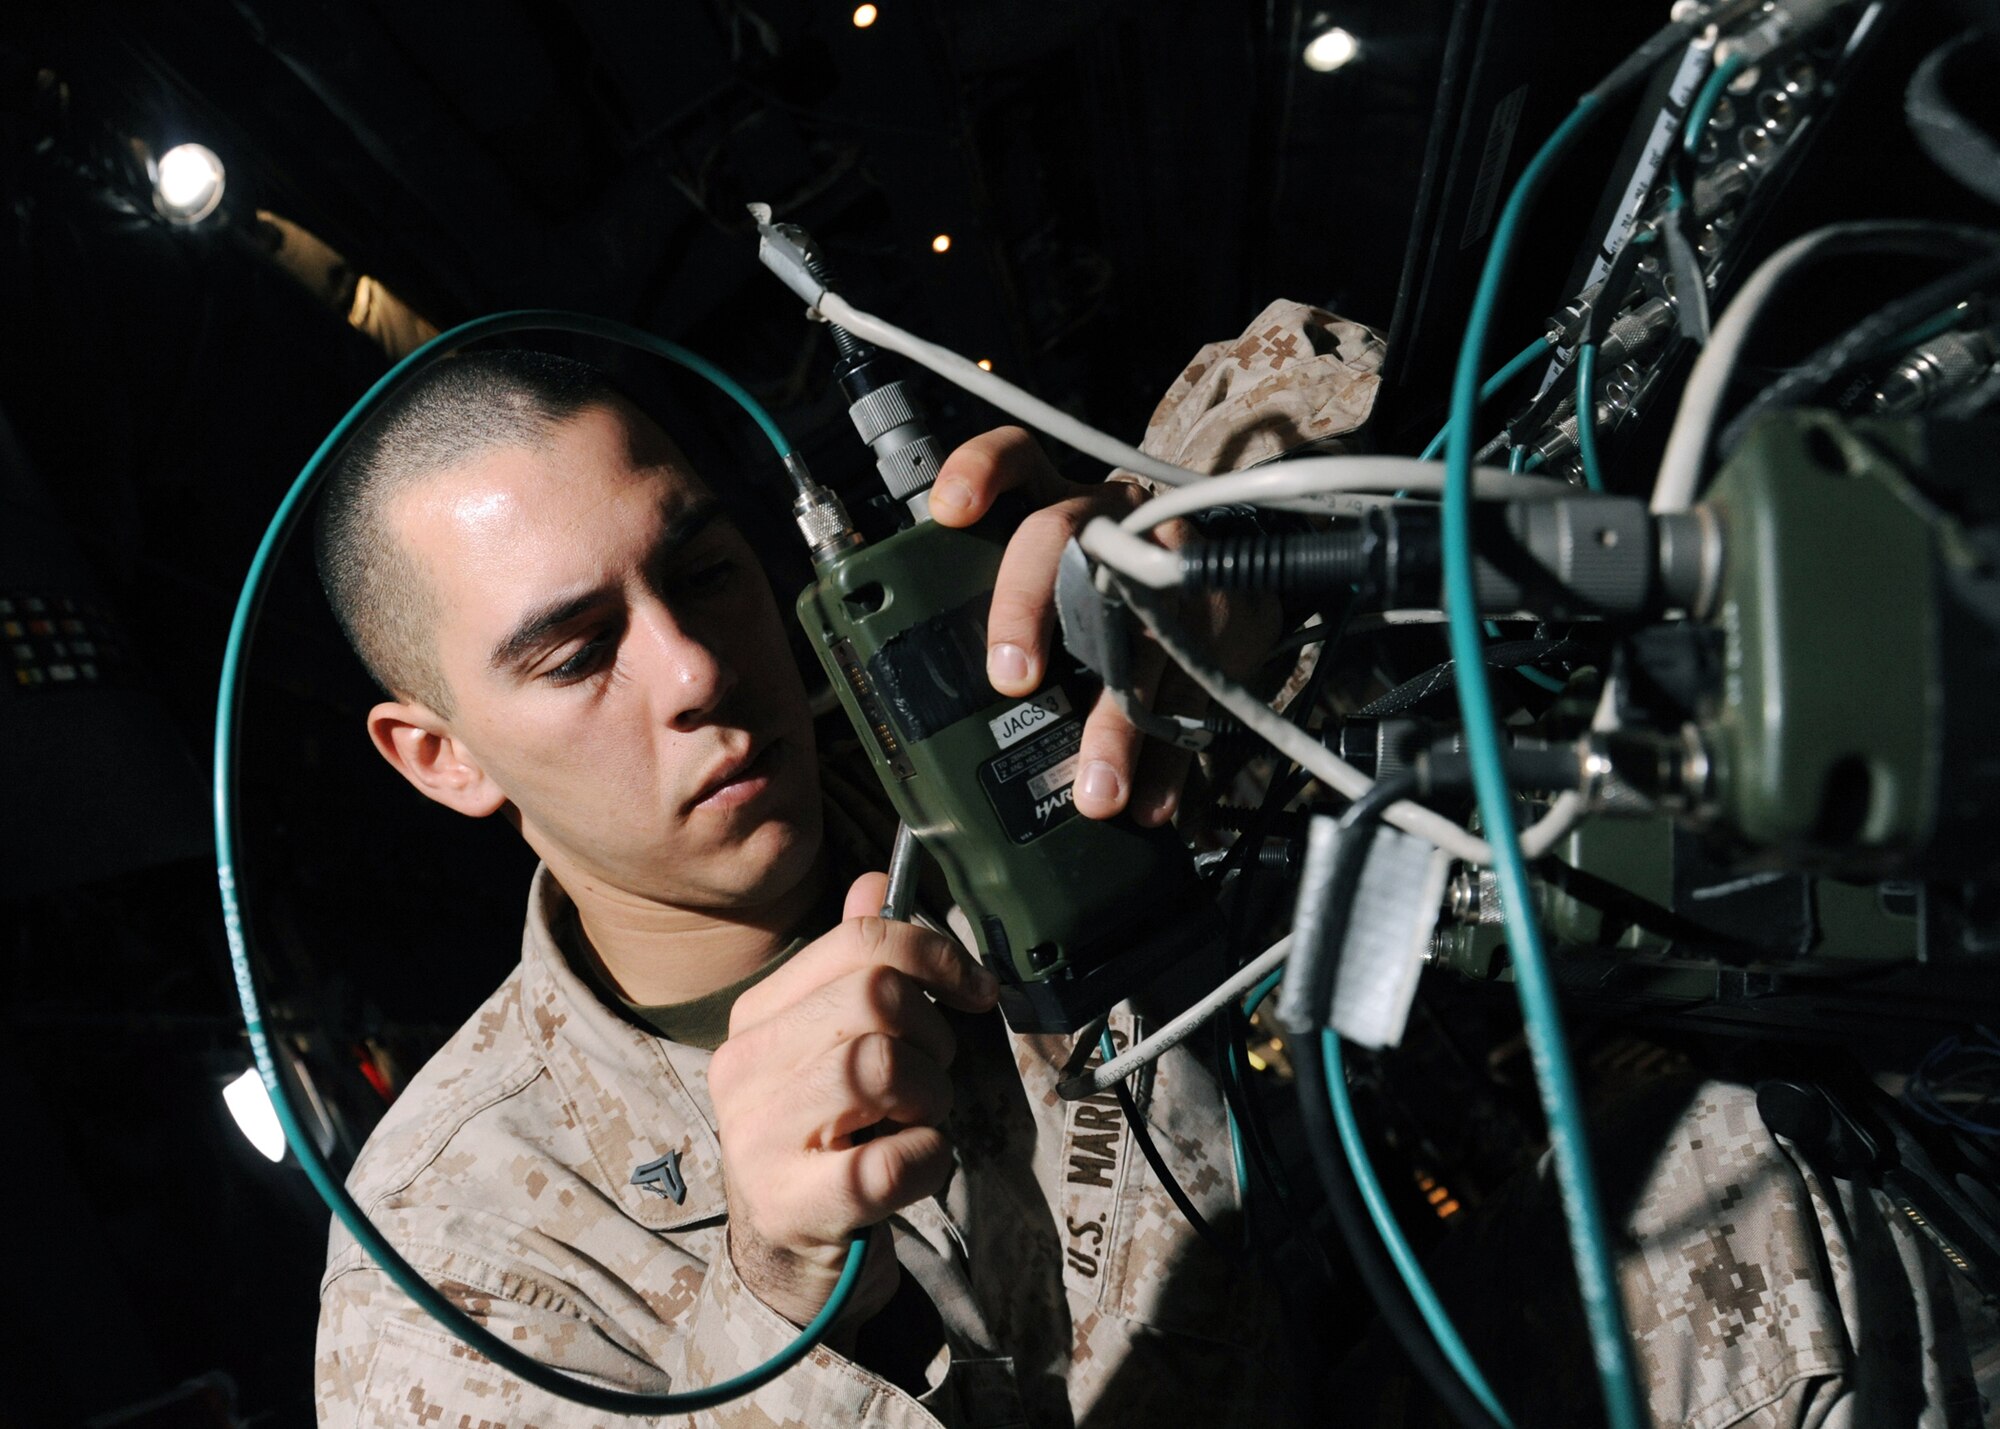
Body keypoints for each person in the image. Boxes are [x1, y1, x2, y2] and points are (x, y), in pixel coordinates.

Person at [307, 347, 1302, 1428]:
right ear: (439, 756)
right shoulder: (445, 1264)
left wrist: (1235, 557)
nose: (694, 670)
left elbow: (1370, 381)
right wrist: (772, 1293)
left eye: (703, 576)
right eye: (579, 652)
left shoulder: (1042, 743)